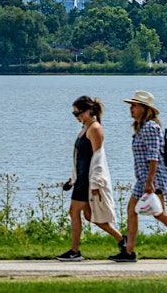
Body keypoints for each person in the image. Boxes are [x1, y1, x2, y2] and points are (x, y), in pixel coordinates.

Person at [109, 90, 167, 263]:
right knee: (133, 211)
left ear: (145, 108)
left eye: (134, 105)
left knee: (160, 214)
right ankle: (128, 252)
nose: (131, 109)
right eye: (131, 106)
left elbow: (153, 157)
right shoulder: (141, 128)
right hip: (144, 178)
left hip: (153, 179)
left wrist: (150, 182)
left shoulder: (151, 128)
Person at [56, 95, 124, 261]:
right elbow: (79, 158)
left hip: (87, 180)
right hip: (81, 179)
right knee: (89, 216)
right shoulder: (85, 128)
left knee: (74, 212)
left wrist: (95, 183)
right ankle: (123, 241)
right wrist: (72, 179)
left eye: (78, 113)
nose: (76, 117)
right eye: (74, 114)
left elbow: (98, 158)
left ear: (89, 111)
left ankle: (74, 251)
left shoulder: (95, 128)